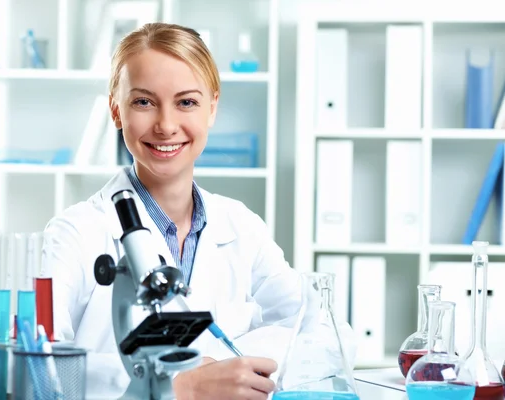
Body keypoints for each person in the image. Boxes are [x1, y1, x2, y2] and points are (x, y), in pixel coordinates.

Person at [43, 22, 355, 400]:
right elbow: (38, 365)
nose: (166, 125)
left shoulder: (241, 226)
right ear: (116, 110)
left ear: (212, 108)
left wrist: (215, 365)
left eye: (186, 102)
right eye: (143, 102)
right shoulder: (75, 233)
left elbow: (327, 336)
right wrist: (178, 384)